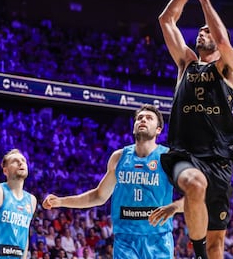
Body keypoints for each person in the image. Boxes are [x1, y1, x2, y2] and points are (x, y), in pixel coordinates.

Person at [158, 0, 233, 259]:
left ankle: (206, 253)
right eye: (200, 30)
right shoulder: (186, 63)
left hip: (219, 159)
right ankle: (198, 254)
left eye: (206, 29)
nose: (201, 32)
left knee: (217, 244)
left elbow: (223, 42)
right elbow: (166, 20)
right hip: (184, 152)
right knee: (195, 184)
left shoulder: (228, 66)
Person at [42, 104, 183, 259]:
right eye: (139, 118)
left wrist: (175, 207)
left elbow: (196, 195)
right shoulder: (119, 157)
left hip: (158, 239)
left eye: (149, 118)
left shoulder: (168, 157)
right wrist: (61, 202)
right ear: (134, 126)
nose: (143, 120)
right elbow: (98, 196)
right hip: (125, 239)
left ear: (158, 130)